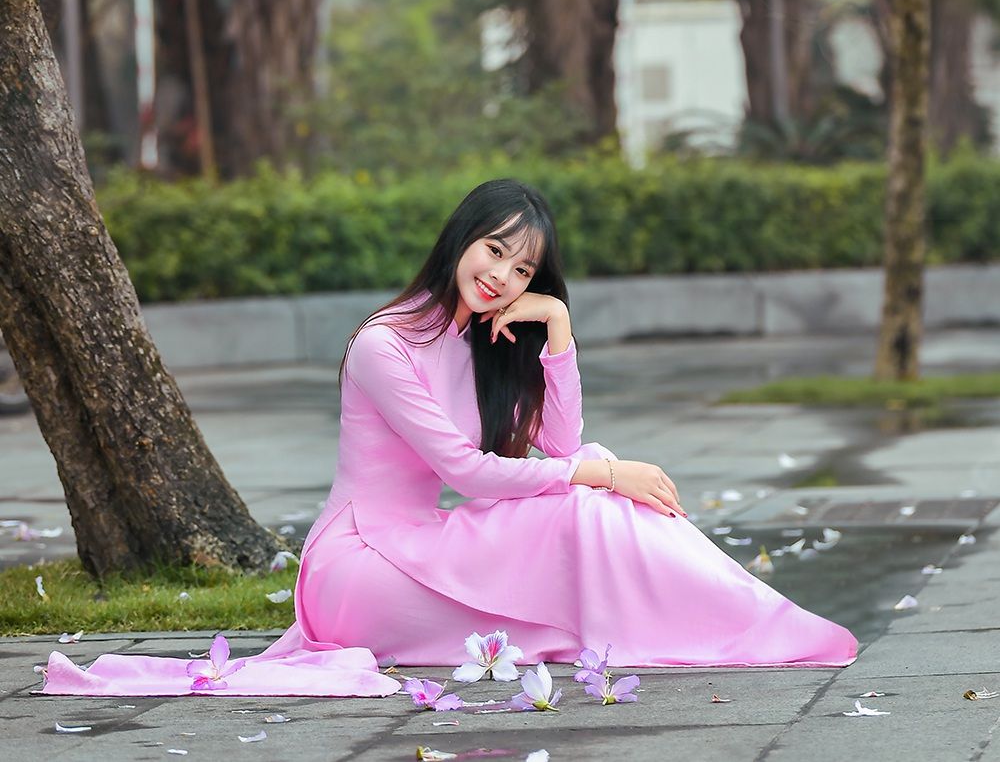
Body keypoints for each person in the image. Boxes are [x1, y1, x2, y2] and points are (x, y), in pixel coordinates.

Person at [42, 178, 856, 698]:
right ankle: (722, 625)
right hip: (359, 565)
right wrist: (600, 473)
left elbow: (559, 440)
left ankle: (747, 622)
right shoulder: (384, 343)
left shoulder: (489, 341)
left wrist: (558, 330)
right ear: (461, 237)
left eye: (525, 270)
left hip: (426, 541)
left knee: (592, 502)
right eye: (495, 249)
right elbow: (470, 470)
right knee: (589, 499)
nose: (502, 274)